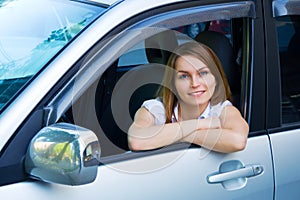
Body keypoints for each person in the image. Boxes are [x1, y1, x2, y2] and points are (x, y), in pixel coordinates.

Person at [128, 42, 249, 153]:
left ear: (216, 79)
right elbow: (136, 141)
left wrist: (180, 136)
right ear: (173, 83)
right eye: (184, 76)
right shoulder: (157, 108)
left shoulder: (222, 110)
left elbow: (238, 141)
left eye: (203, 73)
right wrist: (200, 125)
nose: (195, 84)